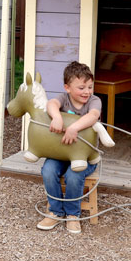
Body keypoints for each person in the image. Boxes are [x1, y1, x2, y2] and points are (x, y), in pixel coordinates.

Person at [37, 61, 104, 235]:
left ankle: (73, 214)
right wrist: (56, 117)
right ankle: (55, 211)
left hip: (85, 158)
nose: (87, 92)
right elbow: (51, 103)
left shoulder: (94, 101)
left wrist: (74, 127)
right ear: (67, 88)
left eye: (90, 87)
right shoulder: (63, 99)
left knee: (73, 175)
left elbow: (93, 116)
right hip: (61, 153)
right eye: (81, 88)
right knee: (48, 170)